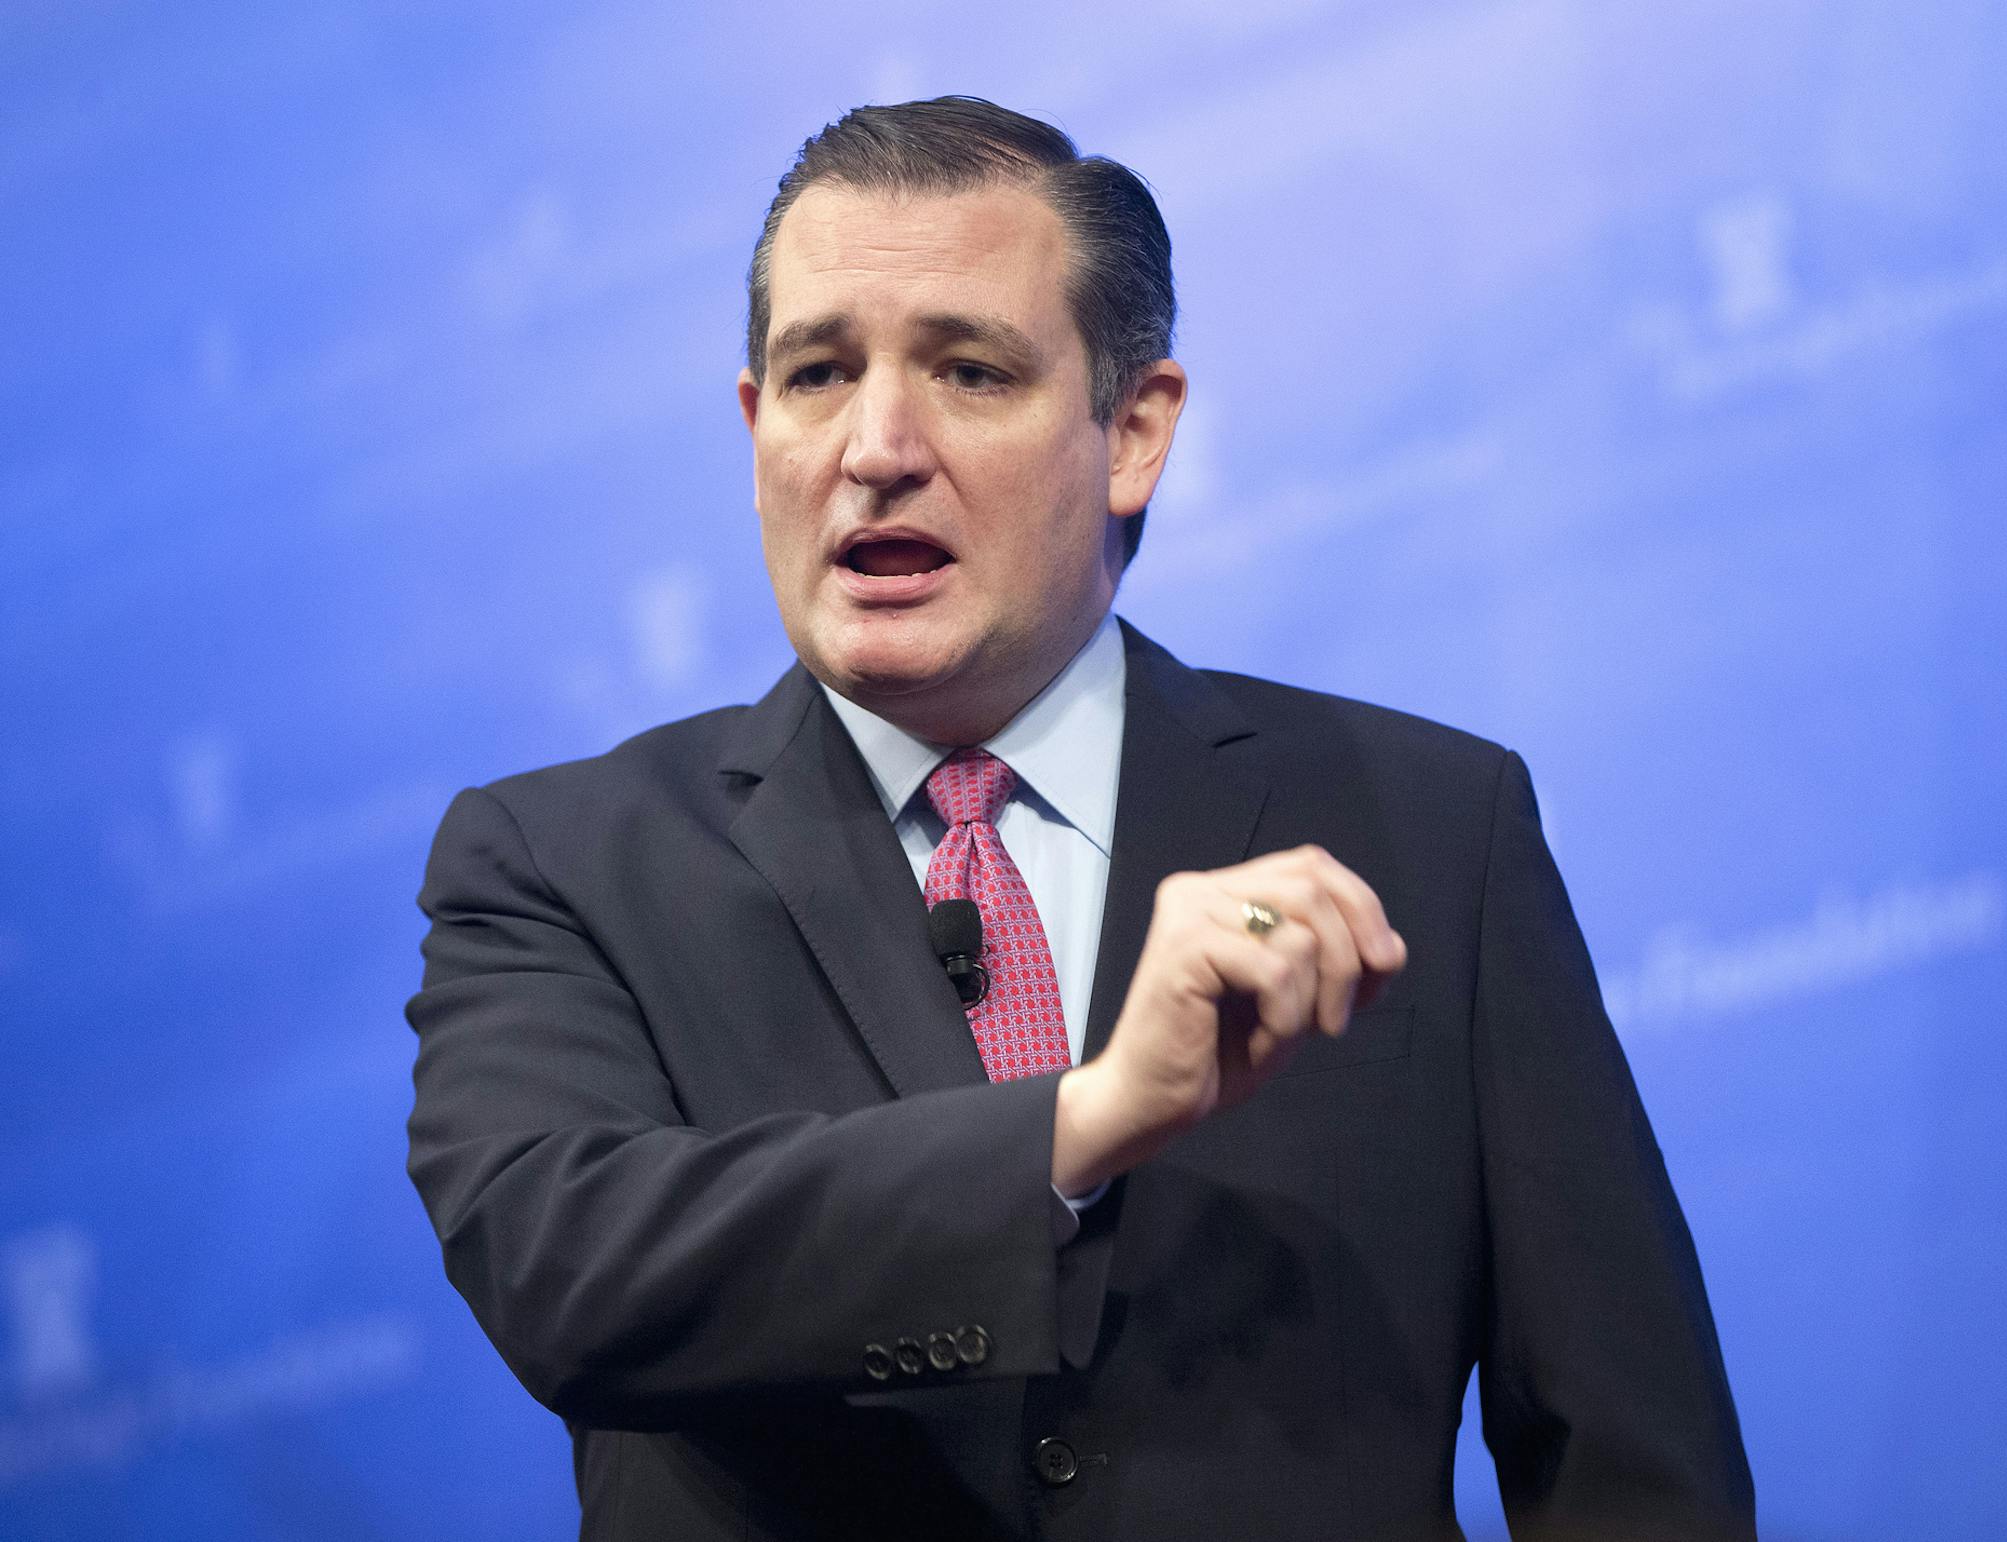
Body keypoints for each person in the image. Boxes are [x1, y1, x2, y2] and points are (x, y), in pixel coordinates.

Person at [405, 96, 1754, 1540]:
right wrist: (1085, 1122)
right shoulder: (564, 864)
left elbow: (1632, 1469)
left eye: (969, 371)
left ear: (1135, 433)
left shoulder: (1427, 830)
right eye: (818, 374)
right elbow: (569, 1268)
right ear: (756, 430)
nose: (874, 446)